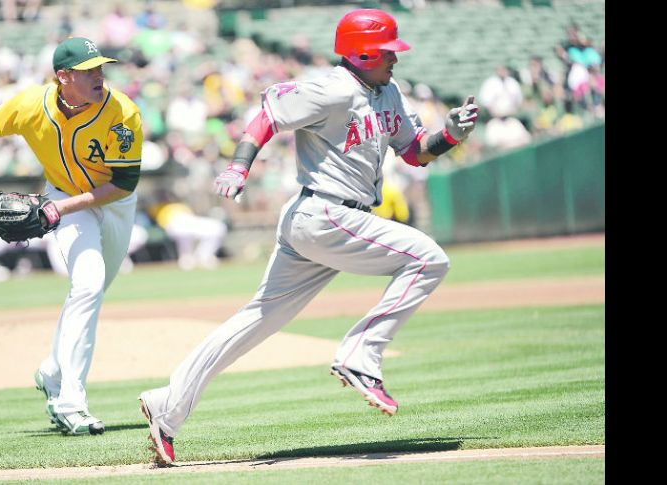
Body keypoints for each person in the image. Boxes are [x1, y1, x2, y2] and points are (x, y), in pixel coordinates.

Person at [137, 9, 479, 466]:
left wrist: (450, 136)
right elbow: (267, 117)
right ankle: (361, 354)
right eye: (387, 53)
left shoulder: (387, 92)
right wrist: (239, 165)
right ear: (362, 53)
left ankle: (168, 406)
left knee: (256, 320)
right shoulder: (331, 88)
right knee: (428, 259)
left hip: (324, 222)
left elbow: (415, 153)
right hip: (325, 213)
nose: (395, 60)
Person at [0, 37, 143, 436]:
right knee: (88, 286)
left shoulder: (121, 112)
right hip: (65, 197)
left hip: (113, 203)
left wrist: (59, 209)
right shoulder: (29, 105)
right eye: (89, 70)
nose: (99, 75)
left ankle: (52, 370)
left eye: (100, 67)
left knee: (92, 291)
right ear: (64, 77)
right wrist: (60, 205)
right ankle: (70, 402)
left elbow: (124, 185)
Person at [147, 191, 227, 271]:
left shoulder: (181, 205)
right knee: (182, 231)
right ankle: (187, 257)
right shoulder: (157, 207)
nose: (165, 197)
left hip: (189, 220)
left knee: (218, 227)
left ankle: (204, 255)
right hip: (173, 224)